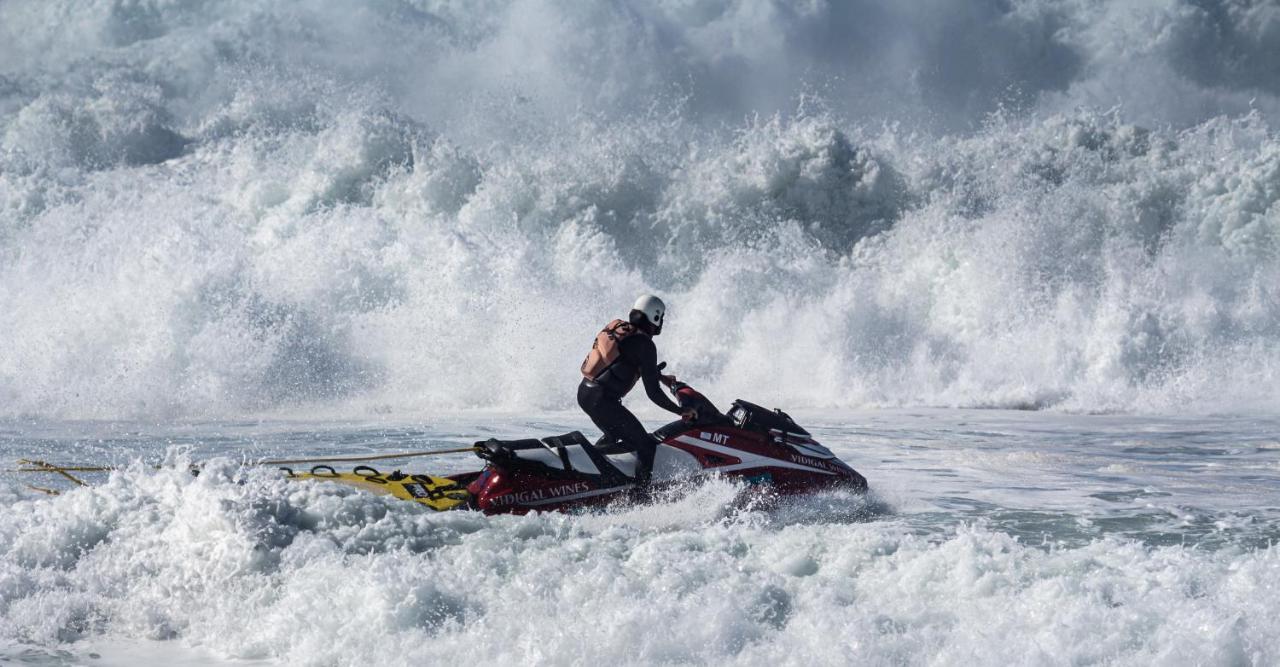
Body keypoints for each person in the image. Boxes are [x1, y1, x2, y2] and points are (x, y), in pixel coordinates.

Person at [578, 294, 693, 486]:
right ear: (655, 317)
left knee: (614, 435)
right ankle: (641, 497)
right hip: (602, 401)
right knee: (646, 445)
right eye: (661, 318)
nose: (662, 323)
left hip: (585, 392)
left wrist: (660, 376)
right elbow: (653, 394)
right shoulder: (646, 345)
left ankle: (592, 476)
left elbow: (621, 364)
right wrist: (681, 411)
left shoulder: (620, 327)